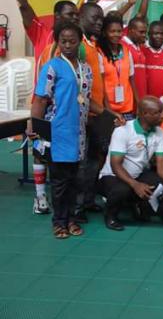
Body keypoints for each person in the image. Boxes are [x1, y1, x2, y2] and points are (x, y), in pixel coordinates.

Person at [30, 21, 116, 238]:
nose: (67, 45)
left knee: (76, 181)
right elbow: (41, 99)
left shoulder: (85, 69)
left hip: (78, 134)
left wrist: (108, 113)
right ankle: (59, 222)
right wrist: (36, 127)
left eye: (72, 41)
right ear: (57, 42)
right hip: (58, 132)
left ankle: (71, 220)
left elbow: (86, 99)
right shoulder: (52, 67)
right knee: (60, 182)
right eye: (63, 41)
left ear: (79, 43)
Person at [12, 0, 79, 213]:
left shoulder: (77, 43)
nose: (73, 18)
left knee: (62, 155)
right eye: (69, 14)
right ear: (56, 16)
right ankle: (40, 197)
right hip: (43, 105)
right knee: (40, 149)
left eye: (75, 15)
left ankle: (64, 200)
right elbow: (22, 3)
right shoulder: (40, 30)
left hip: (66, 108)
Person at [98, 97, 163, 231]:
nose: (162, 116)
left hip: (138, 175)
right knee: (123, 189)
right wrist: (135, 184)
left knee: (162, 183)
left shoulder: (160, 132)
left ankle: (138, 205)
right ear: (145, 114)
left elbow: (161, 161)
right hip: (112, 176)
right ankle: (111, 215)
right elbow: (116, 165)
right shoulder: (123, 131)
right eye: (158, 113)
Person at [98, 15, 138, 119]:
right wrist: (109, 110)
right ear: (105, 33)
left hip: (127, 107)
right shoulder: (99, 52)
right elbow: (101, 85)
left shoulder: (126, 51)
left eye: (119, 31)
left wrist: (138, 104)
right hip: (109, 109)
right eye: (112, 31)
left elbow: (131, 79)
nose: (116, 34)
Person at [122, 17, 148, 100]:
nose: (144, 35)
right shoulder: (122, 46)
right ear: (131, 30)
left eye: (145, 32)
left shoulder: (139, 47)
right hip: (129, 99)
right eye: (141, 32)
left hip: (141, 98)